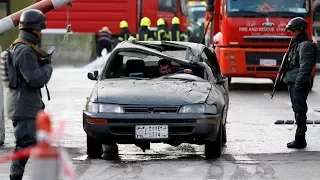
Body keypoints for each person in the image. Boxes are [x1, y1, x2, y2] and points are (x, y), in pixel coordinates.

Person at [6, 9, 53, 180]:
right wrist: (48, 66)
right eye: (39, 30)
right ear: (33, 30)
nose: (40, 33)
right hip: (24, 107)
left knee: (31, 144)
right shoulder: (25, 51)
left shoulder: (19, 47)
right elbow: (35, 79)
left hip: (23, 105)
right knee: (24, 146)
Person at [283, 17, 317, 149]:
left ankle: (300, 139)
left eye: (294, 31)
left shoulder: (305, 45)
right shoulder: (297, 44)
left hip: (298, 83)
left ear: (301, 30)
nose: (293, 33)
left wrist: (298, 83)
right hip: (293, 81)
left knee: (300, 111)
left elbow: (306, 67)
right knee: (296, 109)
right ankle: (299, 138)